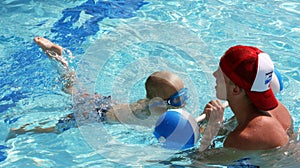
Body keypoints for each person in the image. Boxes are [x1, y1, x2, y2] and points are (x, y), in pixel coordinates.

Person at [6, 37, 188, 140]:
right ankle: (22, 130)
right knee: (56, 128)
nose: (183, 102)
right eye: (177, 99)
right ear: (158, 102)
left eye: (183, 95)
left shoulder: (154, 105)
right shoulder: (155, 114)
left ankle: (57, 57)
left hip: (106, 103)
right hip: (94, 115)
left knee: (72, 87)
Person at [202, 45, 295, 150]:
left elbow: (201, 162)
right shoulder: (278, 109)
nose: (214, 75)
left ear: (235, 90)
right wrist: (214, 122)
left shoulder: (243, 137)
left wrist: (212, 128)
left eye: (220, 74)